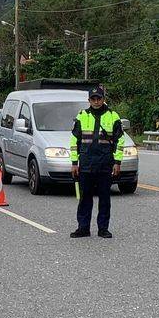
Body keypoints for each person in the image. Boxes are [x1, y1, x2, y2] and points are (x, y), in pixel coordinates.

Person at [69, 86, 125, 239]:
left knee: (104, 198)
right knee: (85, 198)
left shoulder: (113, 116)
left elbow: (120, 140)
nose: (96, 101)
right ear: (89, 100)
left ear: (103, 99)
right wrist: (74, 162)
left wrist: (117, 162)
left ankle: (103, 228)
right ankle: (83, 228)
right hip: (86, 163)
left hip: (105, 163)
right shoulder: (81, 116)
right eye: (93, 99)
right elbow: (75, 140)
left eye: (99, 98)